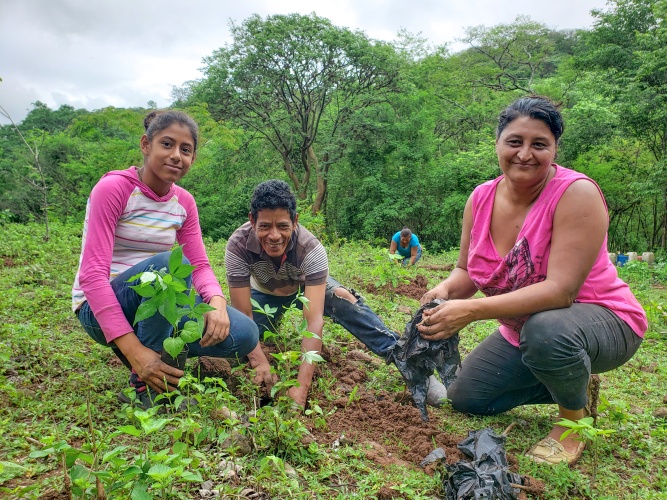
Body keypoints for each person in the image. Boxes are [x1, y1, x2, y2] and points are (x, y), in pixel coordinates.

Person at [418, 96, 646, 465]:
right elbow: (466, 272)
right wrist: (445, 290)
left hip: (601, 320)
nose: (525, 153)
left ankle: (574, 419)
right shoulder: (480, 198)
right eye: (514, 142)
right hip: (526, 332)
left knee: (547, 331)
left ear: (554, 149)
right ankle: (573, 380)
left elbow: (561, 291)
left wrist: (473, 310)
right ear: (497, 144)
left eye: (539, 144)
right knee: (468, 398)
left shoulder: (577, 194)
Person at [72, 110, 259, 410]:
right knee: (166, 268)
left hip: (159, 301)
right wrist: (136, 352)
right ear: (146, 145)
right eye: (167, 144)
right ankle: (144, 384)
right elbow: (92, 276)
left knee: (244, 334)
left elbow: (199, 265)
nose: (176, 156)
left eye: (185, 150)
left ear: (193, 159)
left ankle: (165, 363)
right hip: (100, 307)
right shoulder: (114, 189)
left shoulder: (183, 202)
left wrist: (217, 303)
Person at [225, 180, 448, 408]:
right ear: (252, 220)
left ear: (295, 220)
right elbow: (244, 314)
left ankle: (412, 366)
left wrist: (302, 388)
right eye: (264, 226)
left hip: (305, 287)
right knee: (242, 340)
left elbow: (314, 321)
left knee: (345, 299)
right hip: (264, 294)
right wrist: (260, 362)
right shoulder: (238, 245)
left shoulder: (310, 248)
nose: (274, 236)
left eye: (282, 226)